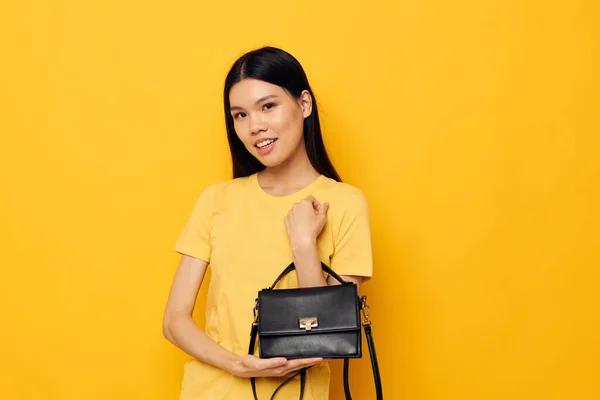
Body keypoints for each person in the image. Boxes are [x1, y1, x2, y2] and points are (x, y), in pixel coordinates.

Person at [163, 46, 373, 400]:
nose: (254, 126)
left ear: (304, 104)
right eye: (240, 114)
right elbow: (174, 320)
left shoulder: (346, 203)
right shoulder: (217, 200)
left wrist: (305, 243)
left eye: (268, 106)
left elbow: (328, 335)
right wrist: (236, 365)